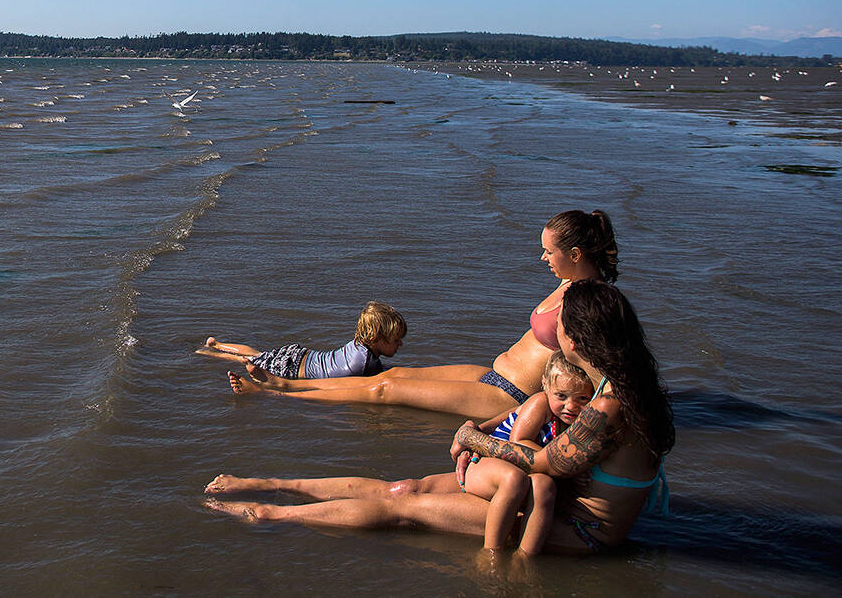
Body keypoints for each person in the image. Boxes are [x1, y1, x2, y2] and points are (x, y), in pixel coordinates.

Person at [205, 280, 674, 555]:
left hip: (578, 529)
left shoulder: (614, 400)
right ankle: (274, 483)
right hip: (556, 501)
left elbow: (548, 464)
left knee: (402, 508)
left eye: (561, 325)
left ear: (578, 336)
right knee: (404, 488)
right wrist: (491, 431)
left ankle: (269, 514)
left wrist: (475, 439)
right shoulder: (625, 381)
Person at [226, 209, 617, 422]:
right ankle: (286, 385)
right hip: (493, 373)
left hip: (507, 395)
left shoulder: (592, 302)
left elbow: (600, 366)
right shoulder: (570, 285)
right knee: (389, 375)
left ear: (577, 254)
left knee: (385, 391)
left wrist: (596, 417)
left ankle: (281, 390)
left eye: (550, 252)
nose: (544, 258)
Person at [460, 350, 593, 554]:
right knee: (513, 479)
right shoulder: (540, 404)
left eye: (582, 398)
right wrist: (564, 466)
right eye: (561, 396)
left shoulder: (576, 420)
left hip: (517, 471)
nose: (571, 406)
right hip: (484, 462)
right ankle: (490, 552)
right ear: (545, 386)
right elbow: (519, 442)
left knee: (544, 485)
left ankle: (525, 557)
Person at [197, 301, 406, 380]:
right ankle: (206, 353)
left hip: (300, 354)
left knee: (256, 354)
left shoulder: (359, 345)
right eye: (396, 340)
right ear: (375, 338)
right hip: (293, 368)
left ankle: (215, 345)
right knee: (249, 360)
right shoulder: (361, 365)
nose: (400, 344)